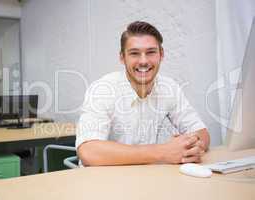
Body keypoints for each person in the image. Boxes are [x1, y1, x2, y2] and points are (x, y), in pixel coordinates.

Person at [76, 21, 210, 166]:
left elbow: (201, 132)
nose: (144, 61)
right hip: (104, 181)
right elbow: (88, 151)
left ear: (161, 54)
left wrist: (191, 145)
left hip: (146, 179)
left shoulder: (169, 87)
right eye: (134, 53)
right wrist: (163, 152)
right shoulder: (103, 89)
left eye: (151, 52)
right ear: (122, 57)